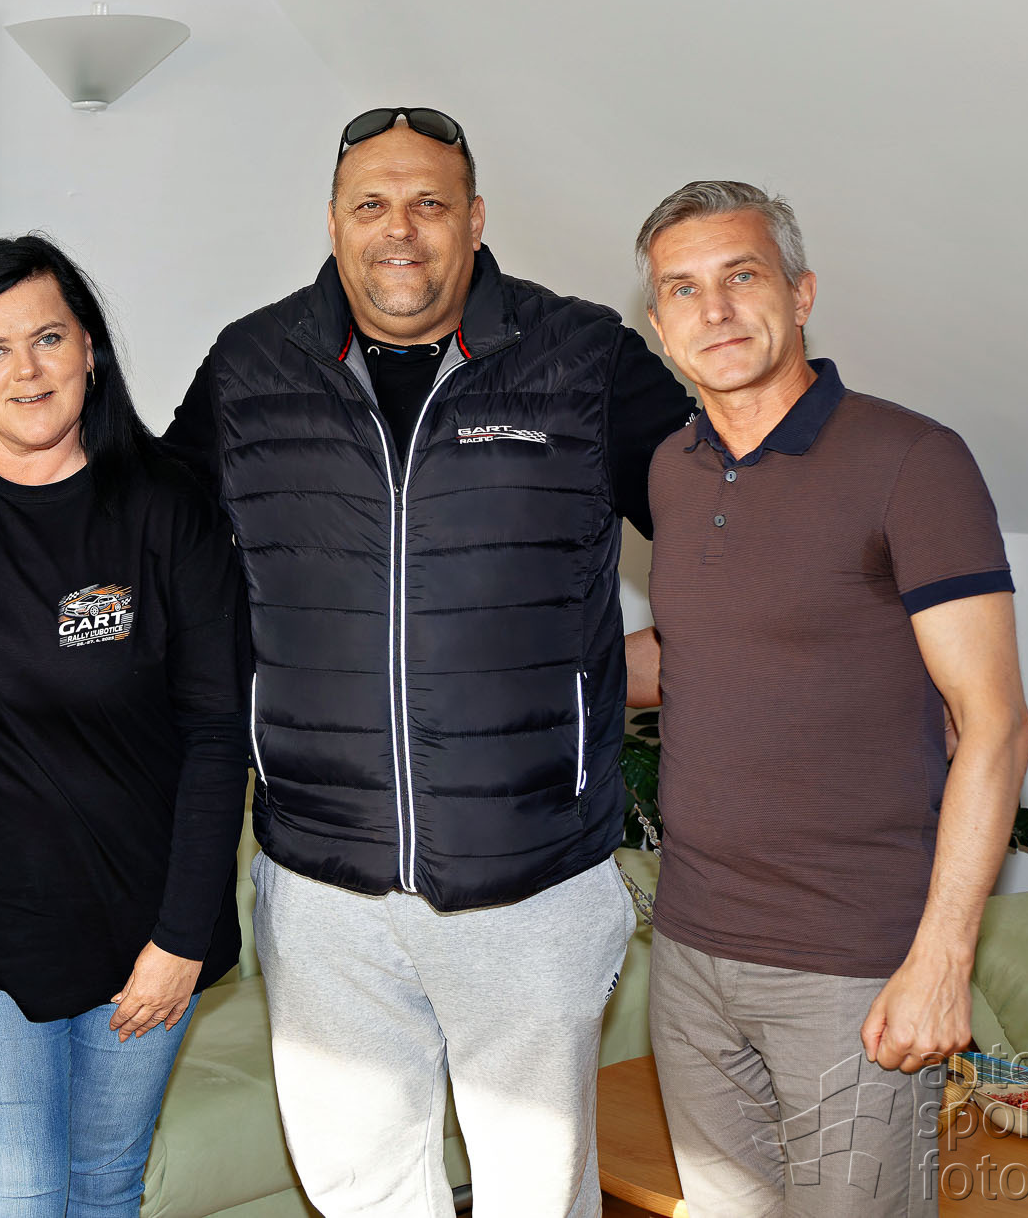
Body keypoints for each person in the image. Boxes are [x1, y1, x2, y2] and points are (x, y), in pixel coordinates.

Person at [164, 106, 694, 1217]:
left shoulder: (583, 356)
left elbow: (728, 532)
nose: (397, 229)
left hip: (531, 883)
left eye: (427, 203)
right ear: (332, 222)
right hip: (322, 886)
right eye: (370, 203)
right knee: (357, 1190)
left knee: (532, 1196)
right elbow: (157, 550)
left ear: (475, 219)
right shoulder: (250, 365)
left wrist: (668, 663)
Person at [626, 180, 1028, 1217]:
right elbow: (696, 653)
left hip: (851, 966)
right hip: (690, 954)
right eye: (682, 289)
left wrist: (941, 959)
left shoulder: (911, 461)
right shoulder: (672, 471)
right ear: (658, 325)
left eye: (741, 275)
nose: (714, 309)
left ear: (800, 293)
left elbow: (993, 723)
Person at [0, 235, 247, 1218]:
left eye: (48, 338)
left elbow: (215, 733)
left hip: (142, 928)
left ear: (89, 349)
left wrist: (178, 938)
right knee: (12, 1199)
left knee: (101, 1189)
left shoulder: (169, 506)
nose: (26, 370)